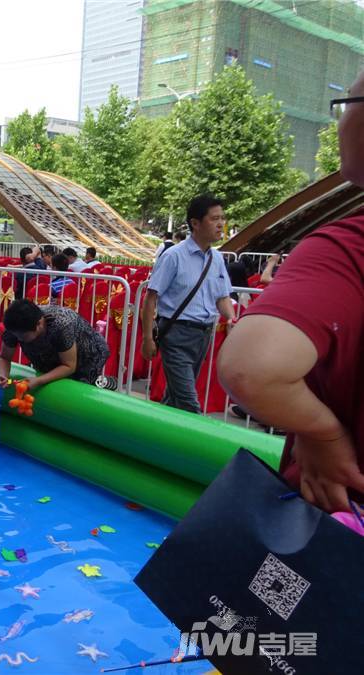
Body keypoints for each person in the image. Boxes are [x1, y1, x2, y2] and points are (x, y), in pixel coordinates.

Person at [218, 70, 364, 513]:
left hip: (338, 524)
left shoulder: (345, 250)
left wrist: (323, 432)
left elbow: (252, 368)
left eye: (345, 106)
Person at [140, 195, 234, 413]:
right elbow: (151, 297)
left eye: (223, 218)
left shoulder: (217, 259)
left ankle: (159, 436)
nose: (221, 224)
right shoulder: (173, 256)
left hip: (203, 335)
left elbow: (222, 297)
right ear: (195, 223)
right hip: (176, 335)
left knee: (174, 397)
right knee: (188, 402)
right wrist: (147, 339)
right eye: (214, 219)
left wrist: (230, 317)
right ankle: (205, 445)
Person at [0, 299, 110, 390]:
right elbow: (4, 357)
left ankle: (106, 383)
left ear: (39, 324)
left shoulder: (61, 326)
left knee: (80, 387)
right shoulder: (15, 327)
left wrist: (39, 380)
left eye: (24, 337)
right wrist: (3, 375)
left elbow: (69, 366)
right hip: (52, 352)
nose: (20, 340)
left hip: (87, 355)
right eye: (17, 336)